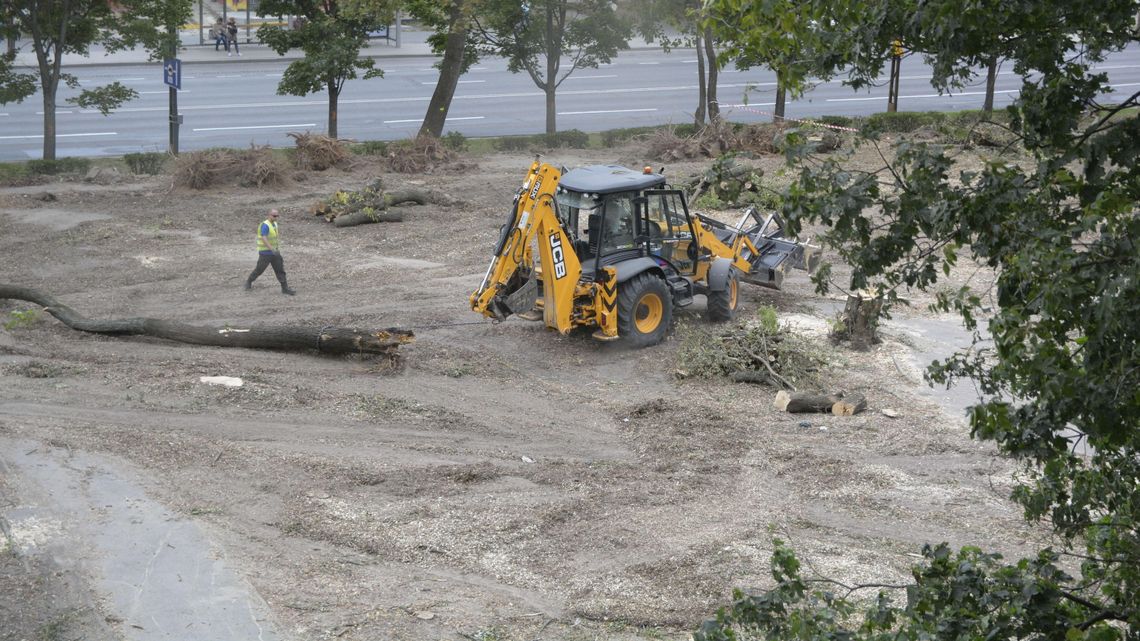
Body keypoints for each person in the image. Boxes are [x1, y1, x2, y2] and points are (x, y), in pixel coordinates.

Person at [244, 209, 295, 295]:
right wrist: (271, 249)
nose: (276, 218)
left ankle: (285, 288)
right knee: (259, 270)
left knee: (280, 270)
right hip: (265, 253)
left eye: (277, 216)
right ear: (269, 215)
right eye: (274, 216)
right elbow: (264, 238)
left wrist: (275, 250)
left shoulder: (274, 224)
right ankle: (249, 281)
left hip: (275, 253)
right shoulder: (265, 225)